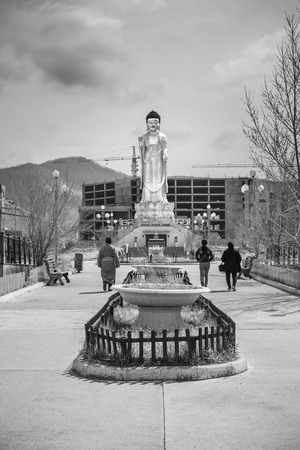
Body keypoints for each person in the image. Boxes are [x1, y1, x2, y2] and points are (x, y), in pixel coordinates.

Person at [138, 110, 168, 203]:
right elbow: (142, 152)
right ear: (147, 124)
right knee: (147, 179)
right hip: (148, 162)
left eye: (155, 122)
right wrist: (141, 146)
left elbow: (165, 148)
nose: (153, 125)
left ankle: (161, 199)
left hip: (158, 162)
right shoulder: (144, 137)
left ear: (159, 123)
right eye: (150, 123)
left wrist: (165, 153)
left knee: (158, 179)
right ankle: (146, 199)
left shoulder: (162, 136)